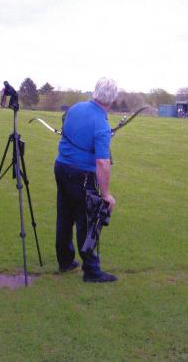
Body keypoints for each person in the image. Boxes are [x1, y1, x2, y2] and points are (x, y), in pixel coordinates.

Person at [54, 77, 118, 283]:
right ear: (112, 99)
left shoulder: (75, 108)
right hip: (81, 175)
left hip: (61, 167)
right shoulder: (101, 123)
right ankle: (91, 270)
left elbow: (72, 132)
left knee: (65, 215)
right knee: (88, 220)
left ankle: (65, 261)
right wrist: (106, 194)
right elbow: (102, 162)